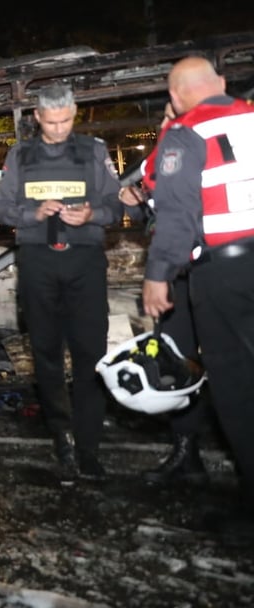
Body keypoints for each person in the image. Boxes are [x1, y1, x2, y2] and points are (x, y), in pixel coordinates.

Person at [0, 82, 124, 481]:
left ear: (74, 113)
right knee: (46, 354)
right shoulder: (22, 154)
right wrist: (33, 214)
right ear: (37, 118)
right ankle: (61, 436)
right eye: (51, 123)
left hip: (84, 263)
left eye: (66, 121)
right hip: (38, 263)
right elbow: (2, 209)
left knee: (91, 355)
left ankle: (89, 448)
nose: (59, 129)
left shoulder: (93, 151)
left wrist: (92, 216)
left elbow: (116, 206)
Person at [140, 57, 254, 510]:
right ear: (221, 84)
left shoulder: (185, 134)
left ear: (175, 97)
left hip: (219, 274)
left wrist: (156, 275)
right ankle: (188, 453)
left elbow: (173, 211)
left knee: (236, 385)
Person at [119, 102, 210, 485]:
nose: (168, 123)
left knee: (227, 361)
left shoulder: (212, 150)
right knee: (178, 361)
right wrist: (139, 204)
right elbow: (158, 218)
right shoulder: (158, 163)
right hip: (175, 277)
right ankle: (187, 452)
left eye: (176, 114)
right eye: (166, 117)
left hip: (216, 272)